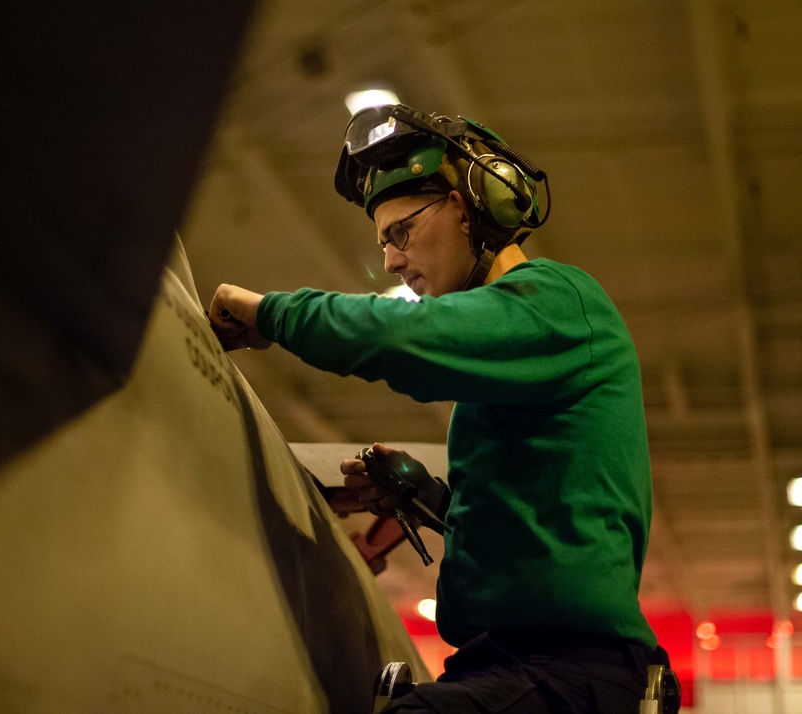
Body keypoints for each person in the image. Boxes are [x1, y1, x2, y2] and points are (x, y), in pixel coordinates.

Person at [208, 104, 676, 713]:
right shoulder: (518, 343)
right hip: (523, 667)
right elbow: (542, 519)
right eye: (383, 242)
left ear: (467, 207)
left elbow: (402, 338)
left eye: (400, 232)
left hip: (566, 670)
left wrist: (271, 312)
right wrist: (426, 499)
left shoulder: (559, 301)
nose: (391, 261)